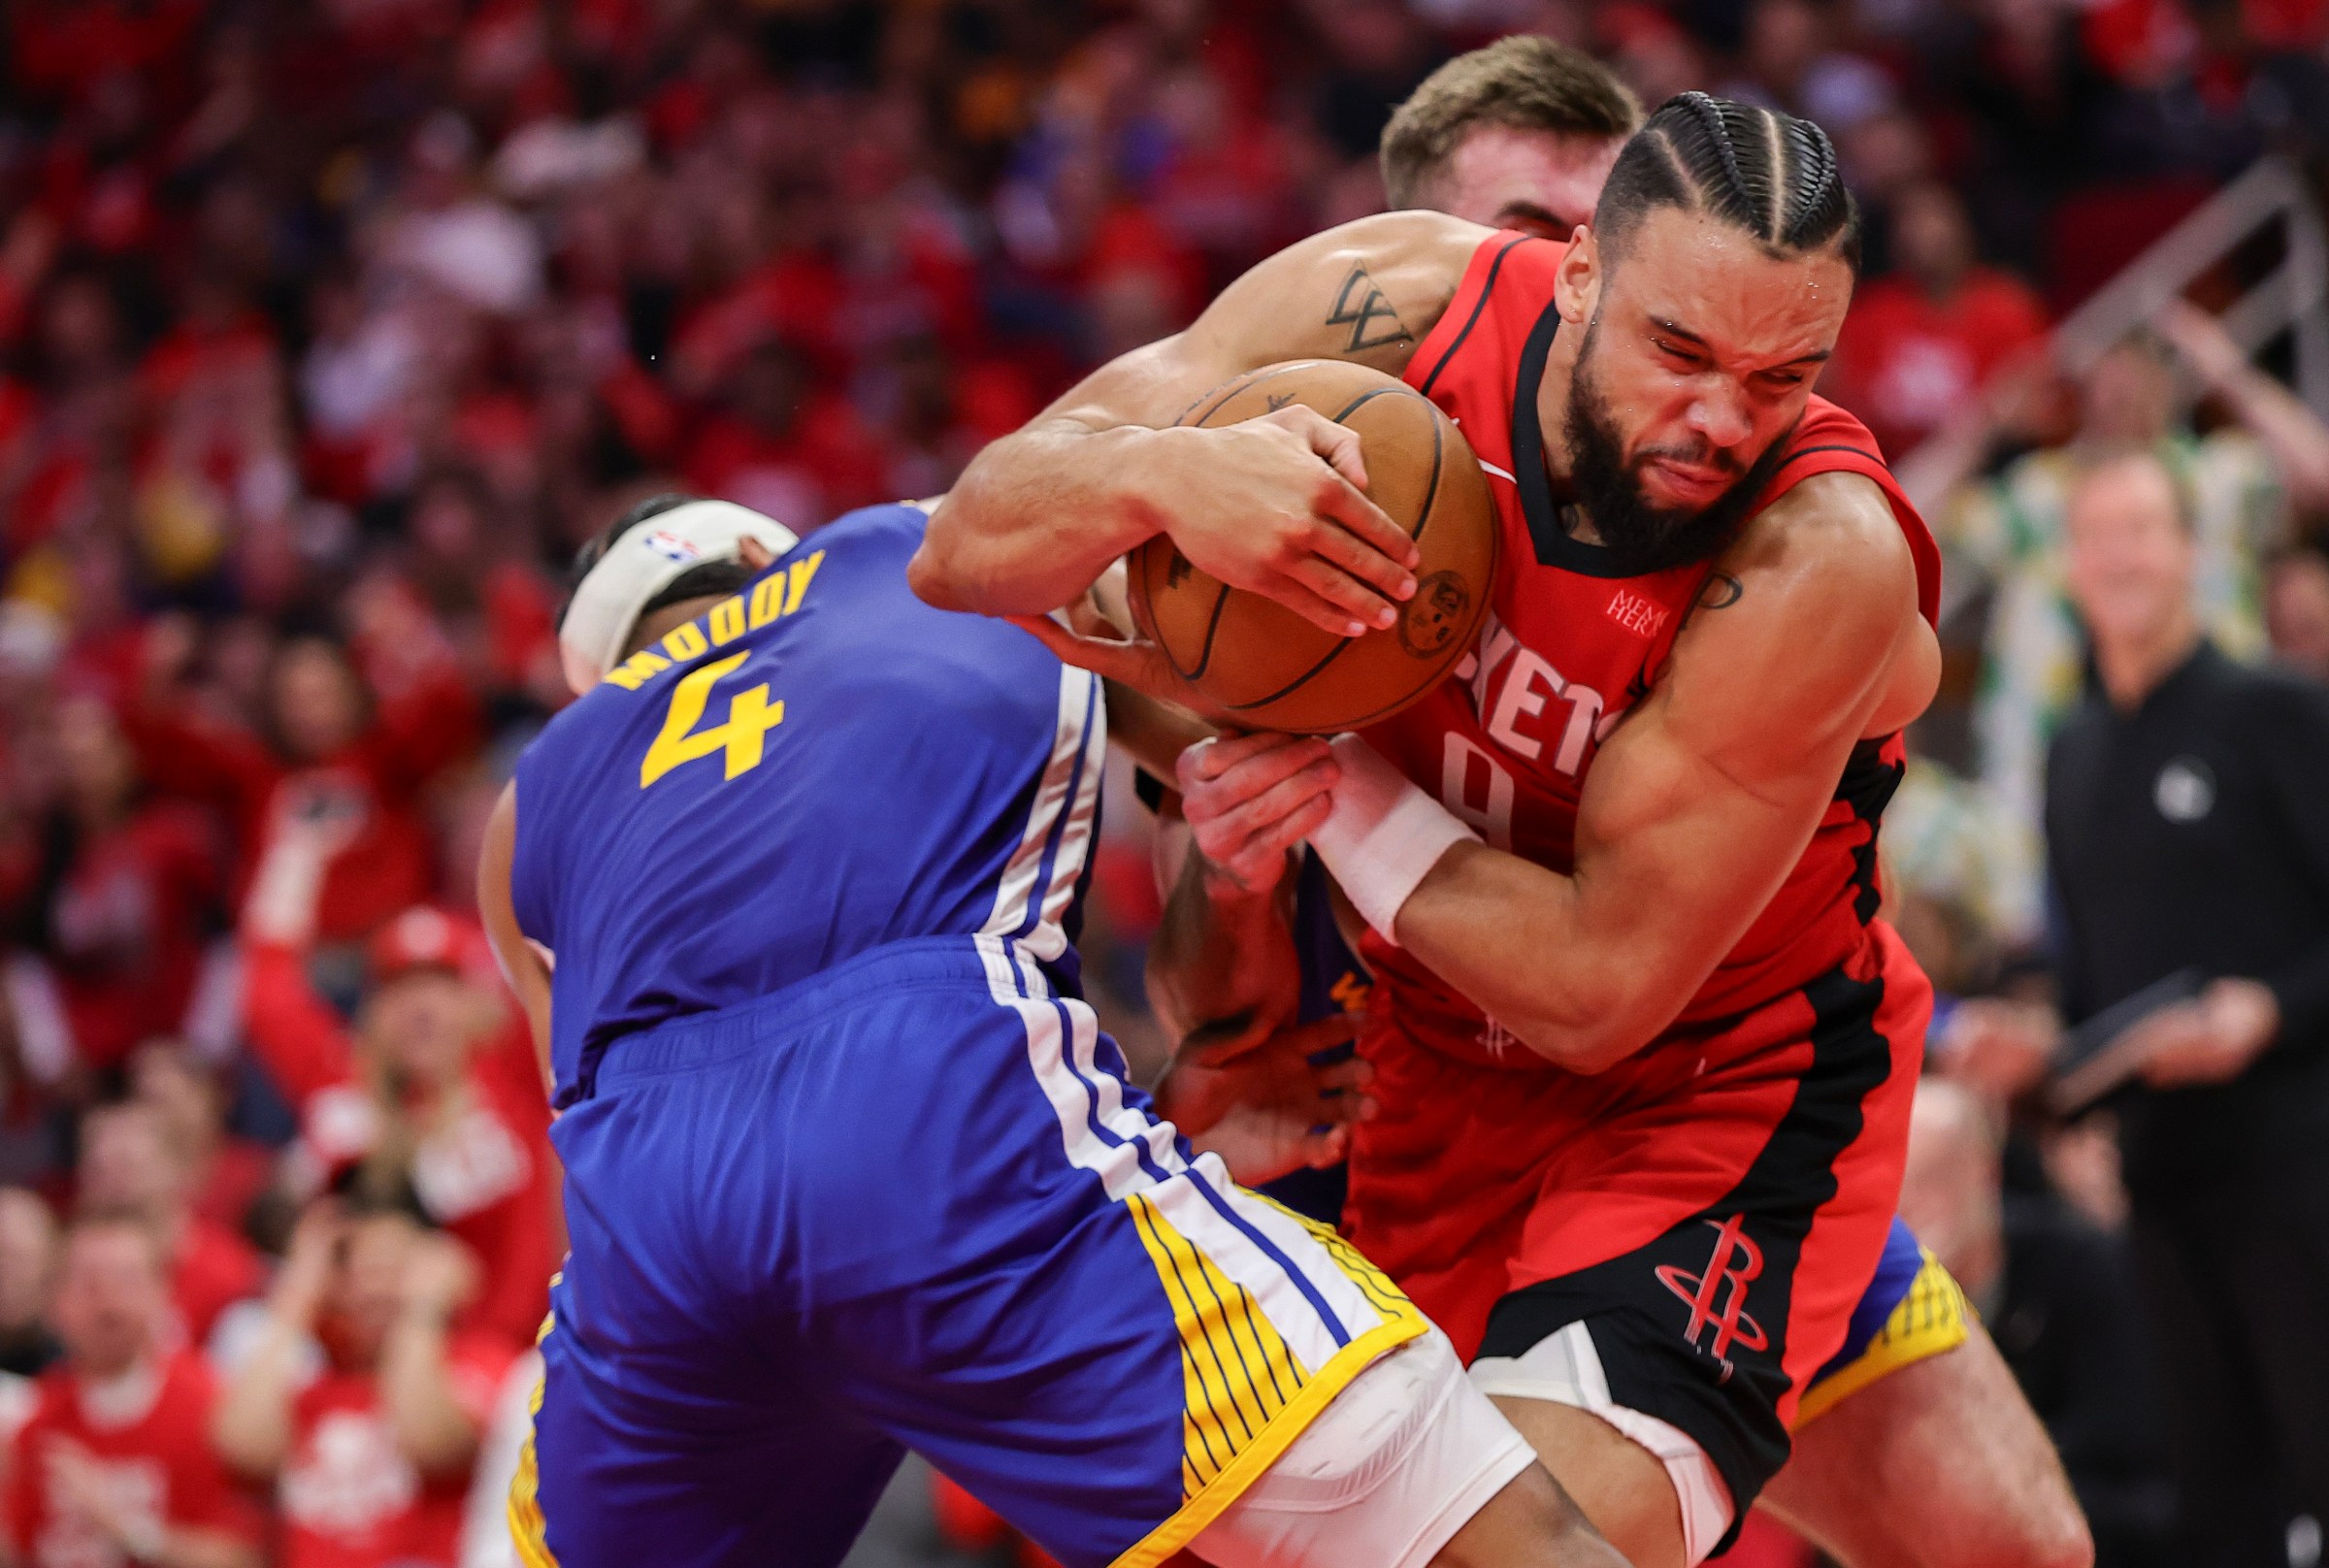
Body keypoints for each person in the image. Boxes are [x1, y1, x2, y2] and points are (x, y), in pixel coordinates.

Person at [914, 91, 1947, 1568]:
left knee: (1969, 1541)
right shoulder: (1394, 312)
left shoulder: (1819, 553)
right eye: (1681, 355)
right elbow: (965, 544)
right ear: (1580, 270)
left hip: (1719, 1091)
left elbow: (1599, 988)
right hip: (1440, 1059)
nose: (1723, 420)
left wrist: (1333, 772)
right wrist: (1163, 473)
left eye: (1783, 378)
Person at [475, 494, 1624, 1568]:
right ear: (778, 559)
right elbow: (1241, 778)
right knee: (1478, 1524)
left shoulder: (527, 806)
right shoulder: (937, 550)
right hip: (924, 1108)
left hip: (649, 1218)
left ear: (600, 681)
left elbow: (607, 1117)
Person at [2046, 447, 2329, 1567]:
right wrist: (2063, 1096)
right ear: (2069, 564)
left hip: (2296, 1166)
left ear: (2189, 553)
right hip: (2159, 1192)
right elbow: (2089, 987)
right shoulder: (2071, 756)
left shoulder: (2276, 710)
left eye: (2142, 529)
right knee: (2213, 1506)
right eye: (2097, 533)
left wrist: (2268, 1011)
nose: (2119, 555)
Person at [1896, 1081, 2175, 1568]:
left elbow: (2129, 1457)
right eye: (1895, 1186)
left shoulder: (2083, 1267)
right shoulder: (1875, 1310)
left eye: (1933, 1179)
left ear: (1986, 1172)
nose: (1912, 1206)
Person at [212, 1196, 513, 1568]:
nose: (375, 1288)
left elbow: (431, 1445)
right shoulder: (318, 1392)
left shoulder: (479, 1362)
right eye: (359, 1273)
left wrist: (423, 1312)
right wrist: (299, 1291)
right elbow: (241, 1446)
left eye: (392, 1268)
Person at [5, 1212, 258, 1568]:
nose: (109, 1303)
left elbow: (243, 1558)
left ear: (163, 1292)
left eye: (127, 1281)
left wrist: (130, 1530)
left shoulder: (209, 1407)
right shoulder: (36, 1423)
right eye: (89, 1284)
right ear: (54, 1302)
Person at [74, 1103, 263, 1352]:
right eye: (99, 1170)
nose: (113, 1187)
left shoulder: (229, 1273)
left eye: (127, 1166)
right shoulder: (70, 1272)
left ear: (179, 1171)